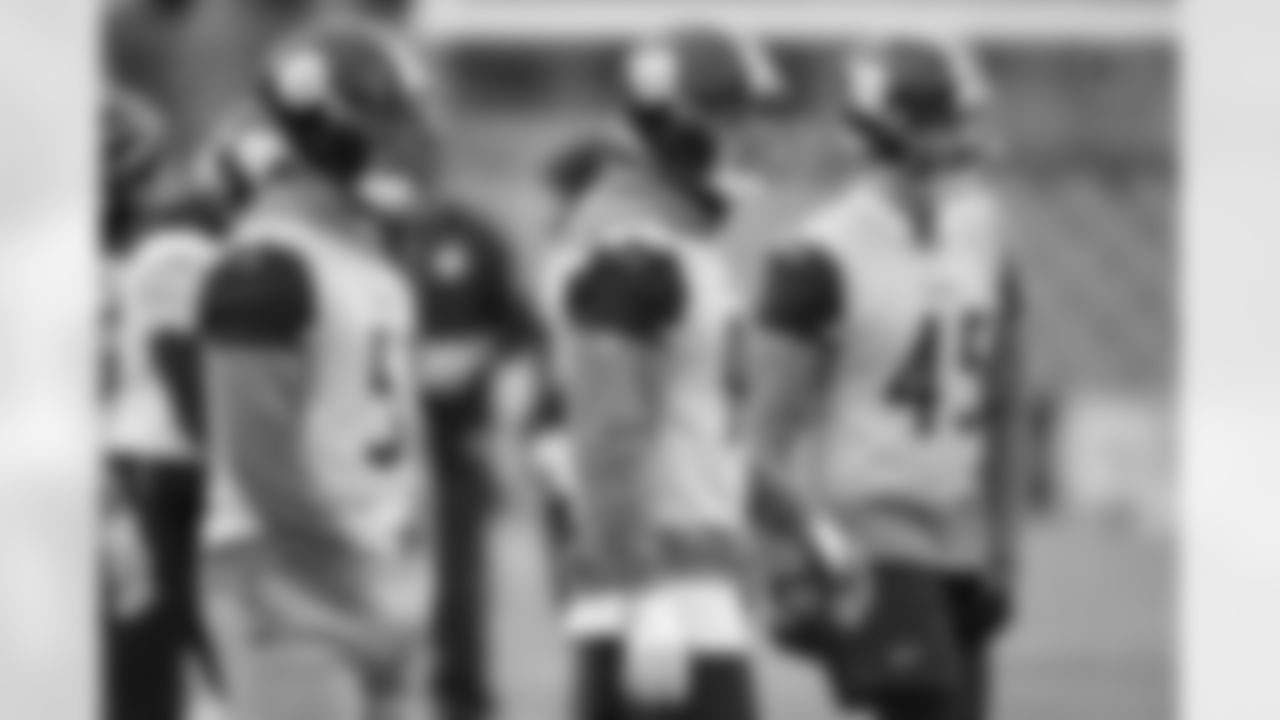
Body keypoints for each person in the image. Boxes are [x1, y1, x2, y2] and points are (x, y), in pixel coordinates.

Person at [744, 39, 1027, 720]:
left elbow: (1003, 406)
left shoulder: (985, 237)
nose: (966, 134)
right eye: (949, 118)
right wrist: (791, 560)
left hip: (960, 535)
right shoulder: (817, 256)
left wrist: (1004, 545)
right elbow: (762, 442)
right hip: (871, 531)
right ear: (898, 125)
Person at [533, 24, 779, 720]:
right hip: (658, 597)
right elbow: (611, 431)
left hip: (687, 590)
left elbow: (701, 425)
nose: (751, 133)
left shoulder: (676, 241)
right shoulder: (631, 245)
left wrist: (792, 521)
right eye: (731, 113)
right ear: (672, 121)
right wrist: (643, 593)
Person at [197, 17, 439, 720]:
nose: (406, 139)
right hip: (294, 584)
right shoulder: (267, 265)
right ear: (321, 125)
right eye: (385, 119)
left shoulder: (367, 257)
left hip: (374, 572)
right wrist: (354, 581)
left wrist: (399, 576)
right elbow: (259, 461)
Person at [391, 201, 540, 720]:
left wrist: (490, 389)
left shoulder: (473, 238)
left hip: (459, 431)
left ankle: (460, 686)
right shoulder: (367, 238)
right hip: (382, 435)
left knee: (459, 567)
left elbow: (519, 330)